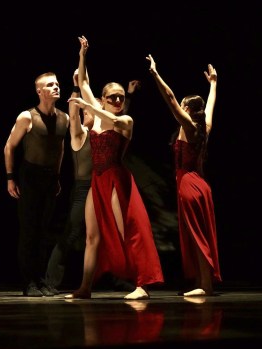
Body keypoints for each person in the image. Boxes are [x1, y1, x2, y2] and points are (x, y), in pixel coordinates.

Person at [65, 36, 164, 300]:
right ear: (104, 98)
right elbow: (84, 82)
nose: (118, 100)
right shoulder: (97, 114)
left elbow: (106, 116)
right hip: (98, 179)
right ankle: (85, 287)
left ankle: (142, 285)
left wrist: (90, 107)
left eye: (121, 97)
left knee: (128, 230)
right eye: (113, 97)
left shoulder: (125, 120)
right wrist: (83, 54)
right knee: (91, 236)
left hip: (117, 178)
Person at [45, 70, 137, 292]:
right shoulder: (80, 133)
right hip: (84, 188)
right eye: (92, 110)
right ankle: (53, 281)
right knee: (75, 233)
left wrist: (128, 96)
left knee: (112, 232)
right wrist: (77, 87)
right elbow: (76, 112)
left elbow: (118, 120)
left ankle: (122, 277)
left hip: (104, 182)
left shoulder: (103, 128)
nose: (94, 114)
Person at [146, 54, 221, 296]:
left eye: (182, 104)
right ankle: (203, 282)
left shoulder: (188, 124)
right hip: (201, 185)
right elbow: (210, 105)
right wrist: (213, 84)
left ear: (187, 108)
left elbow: (169, 98)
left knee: (197, 234)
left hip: (189, 183)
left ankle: (205, 285)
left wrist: (155, 74)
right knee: (198, 233)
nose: (179, 105)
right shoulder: (204, 125)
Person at [4, 70, 70, 297]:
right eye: (50, 85)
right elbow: (9, 147)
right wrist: (10, 177)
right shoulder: (27, 117)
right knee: (29, 230)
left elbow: (60, 148)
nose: (56, 87)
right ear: (39, 91)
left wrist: (58, 176)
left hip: (50, 178)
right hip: (30, 176)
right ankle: (29, 282)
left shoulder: (64, 118)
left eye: (57, 83)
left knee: (45, 230)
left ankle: (42, 280)